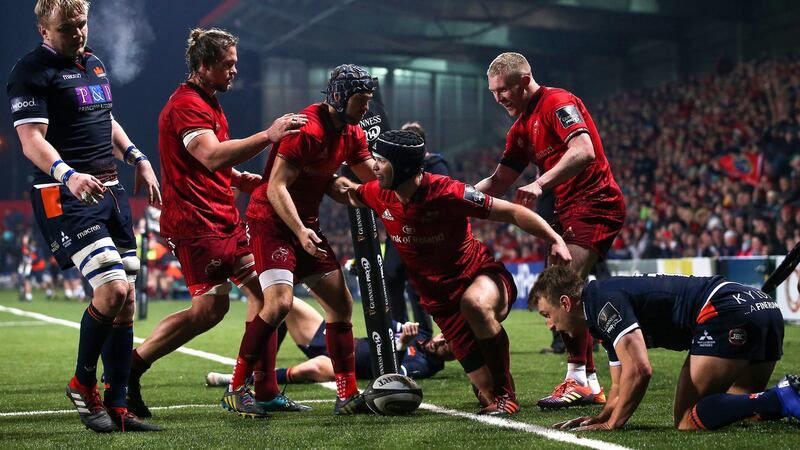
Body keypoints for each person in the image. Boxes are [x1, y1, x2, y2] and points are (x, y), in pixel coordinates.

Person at [125, 28, 308, 420]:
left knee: (269, 296)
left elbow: (208, 163)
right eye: (228, 64)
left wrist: (240, 179)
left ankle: (263, 388)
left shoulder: (209, 101)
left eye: (236, 63)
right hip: (196, 223)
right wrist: (268, 135)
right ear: (203, 66)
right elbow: (209, 156)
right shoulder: (186, 105)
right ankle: (131, 368)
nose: (235, 71)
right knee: (209, 310)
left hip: (223, 216)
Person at [332, 129, 572, 416]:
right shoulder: (378, 193)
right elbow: (346, 192)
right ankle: (492, 388)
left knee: (475, 305)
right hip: (442, 306)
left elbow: (511, 212)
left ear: (403, 166)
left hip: (482, 277)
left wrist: (555, 239)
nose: (373, 167)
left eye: (381, 161)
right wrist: (315, 174)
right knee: (484, 394)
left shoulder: (448, 191)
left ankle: (507, 395)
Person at [7, 0, 161, 432]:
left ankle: (117, 406)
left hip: (109, 189)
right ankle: (82, 383)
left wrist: (138, 158)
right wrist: (67, 174)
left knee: (127, 302)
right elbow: (30, 139)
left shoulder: (93, 65)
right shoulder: (31, 71)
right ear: (43, 29)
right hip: (63, 192)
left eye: (82, 24)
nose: (78, 34)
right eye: (67, 28)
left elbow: (105, 118)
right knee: (111, 290)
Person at [476, 52, 625, 409]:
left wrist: (540, 183)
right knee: (560, 289)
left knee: (560, 288)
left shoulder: (558, 102)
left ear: (524, 81)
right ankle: (586, 381)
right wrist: (454, 197)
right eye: (493, 92)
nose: (497, 99)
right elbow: (498, 182)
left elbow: (584, 150)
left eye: (503, 91)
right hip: (567, 210)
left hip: (595, 202)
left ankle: (579, 378)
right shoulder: (521, 128)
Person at [236, 63, 377, 416]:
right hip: (272, 222)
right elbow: (274, 186)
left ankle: (346, 394)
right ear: (339, 98)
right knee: (280, 303)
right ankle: (237, 387)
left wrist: (399, 166)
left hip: (306, 225)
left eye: (368, 100)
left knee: (341, 304)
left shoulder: (353, 133)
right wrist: (299, 231)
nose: (365, 108)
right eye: (361, 100)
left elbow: (369, 180)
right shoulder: (306, 129)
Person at [531, 265, 800, 430]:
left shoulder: (602, 303)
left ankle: (781, 396)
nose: (550, 325)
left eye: (547, 315)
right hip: (762, 306)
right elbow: (619, 385)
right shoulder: (599, 308)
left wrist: (612, 425)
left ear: (565, 303)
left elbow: (640, 370)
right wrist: (601, 416)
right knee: (743, 412)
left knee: (687, 421)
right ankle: (783, 399)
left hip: (727, 310)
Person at [205, 297, 450, 386]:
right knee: (283, 303)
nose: (439, 341)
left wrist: (400, 345)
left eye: (446, 346)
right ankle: (260, 368)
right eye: (443, 337)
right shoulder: (422, 337)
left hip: (344, 364)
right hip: (339, 340)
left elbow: (391, 374)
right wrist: (398, 327)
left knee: (309, 369)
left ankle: (243, 379)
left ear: (452, 357)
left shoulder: (423, 366)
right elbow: (386, 324)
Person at [382, 121, 449, 333]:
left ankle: (422, 334)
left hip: (421, 237)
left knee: (415, 285)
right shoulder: (394, 167)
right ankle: (399, 329)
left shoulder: (435, 164)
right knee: (391, 277)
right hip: (397, 234)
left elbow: (443, 196)